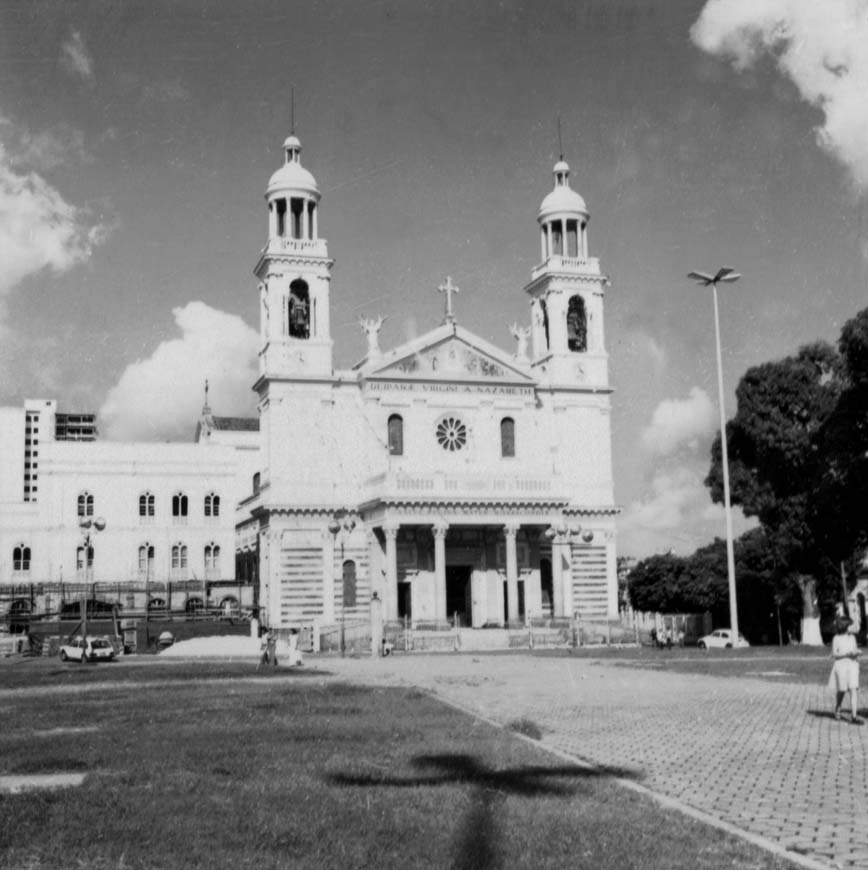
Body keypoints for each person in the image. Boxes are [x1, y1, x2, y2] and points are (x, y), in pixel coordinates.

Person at [829, 617, 862, 724]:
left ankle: (854, 716)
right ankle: (838, 706)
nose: (852, 627)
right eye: (850, 625)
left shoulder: (852, 637)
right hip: (841, 666)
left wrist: (856, 653)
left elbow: (855, 649)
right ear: (844, 626)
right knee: (842, 689)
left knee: (853, 689)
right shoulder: (836, 638)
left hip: (852, 665)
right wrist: (846, 654)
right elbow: (834, 654)